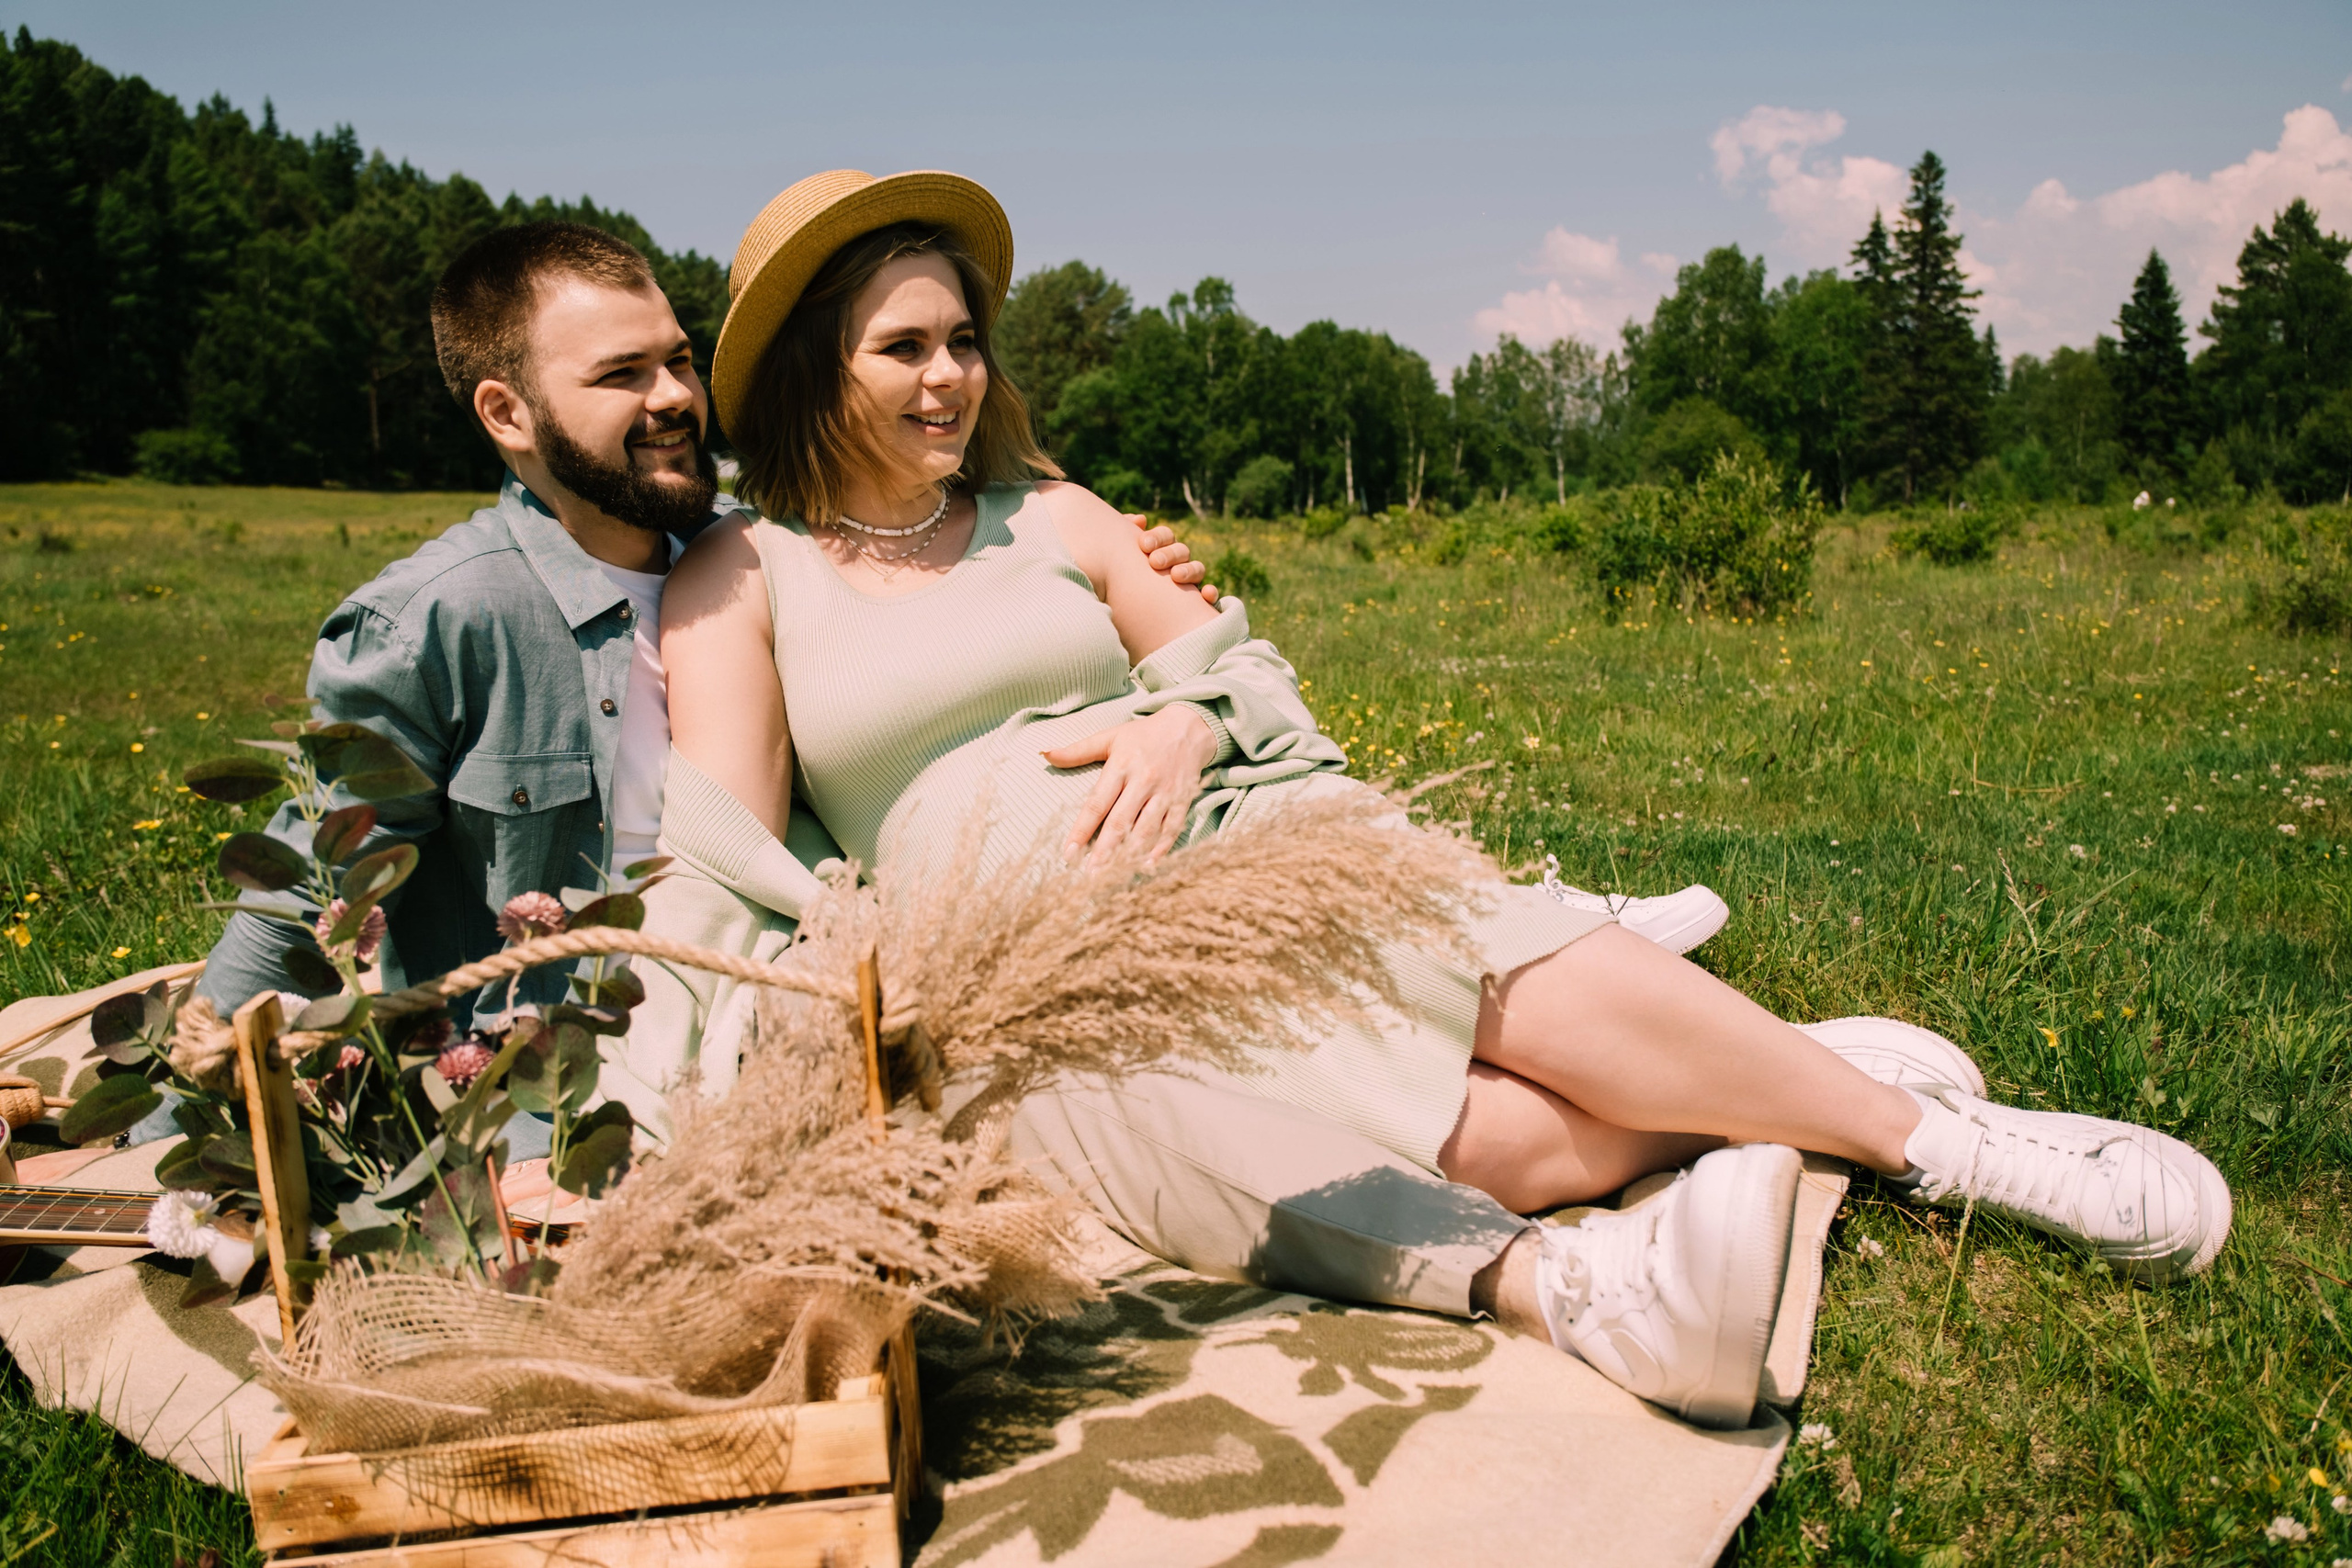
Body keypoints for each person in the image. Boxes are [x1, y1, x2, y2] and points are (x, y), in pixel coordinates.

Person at [646, 169, 2233, 1430]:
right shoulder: (747, 570)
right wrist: (662, 1105)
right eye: (902, 345)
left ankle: (1942, 1147)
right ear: (814, 370)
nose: (947, 376)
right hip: (1039, 958)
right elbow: (717, 852)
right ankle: (1780, 1085)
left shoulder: (1049, 511)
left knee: (1459, 951)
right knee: (1471, 1133)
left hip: (1220, 841)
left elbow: (1231, 668)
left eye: (962, 339)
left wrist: (1182, 733)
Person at [192, 220, 1217, 1074]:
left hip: (779, 1012)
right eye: (621, 375)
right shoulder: (438, 620)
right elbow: (310, 887)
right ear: (507, 414)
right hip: (556, 1079)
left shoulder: (752, 559)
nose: (676, 397)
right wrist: (180, 1102)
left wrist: (1148, 611)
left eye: (678, 358)